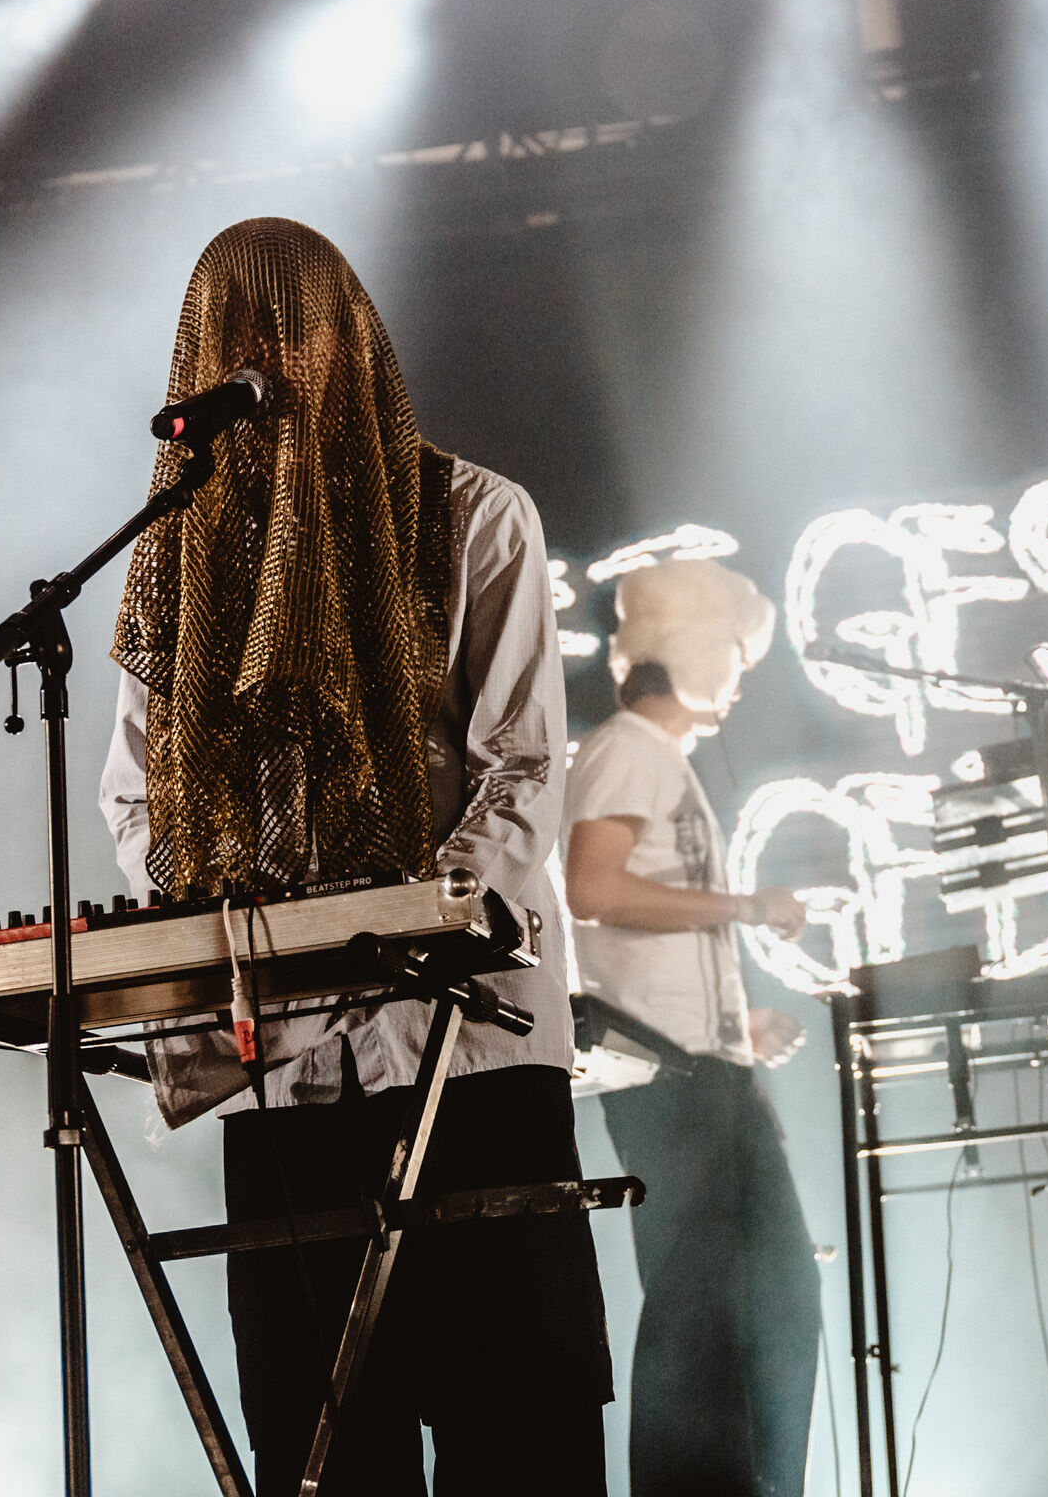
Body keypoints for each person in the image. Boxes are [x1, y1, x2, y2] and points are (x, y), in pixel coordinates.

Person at [97, 216, 609, 1497]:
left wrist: (410, 923)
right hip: (284, 1076)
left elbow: (523, 768)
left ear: (347, 339)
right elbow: (137, 793)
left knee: (519, 1439)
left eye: (286, 330)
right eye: (234, 335)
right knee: (321, 1452)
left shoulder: (473, 514)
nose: (261, 358)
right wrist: (223, 908)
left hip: (470, 1055)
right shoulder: (183, 558)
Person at [562, 559, 823, 1497]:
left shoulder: (651, 756)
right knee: (718, 1307)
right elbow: (593, 888)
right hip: (668, 1080)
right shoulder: (630, 749)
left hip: (694, 1067)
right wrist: (747, 907)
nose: (743, 679)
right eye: (737, 657)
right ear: (694, 652)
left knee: (761, 1299)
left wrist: (731, 1022)